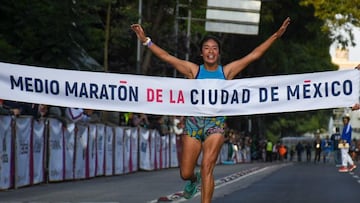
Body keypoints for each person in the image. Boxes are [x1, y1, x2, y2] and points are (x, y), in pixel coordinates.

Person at [131, 17, 291, 202]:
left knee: (208, 166)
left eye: (214, 48)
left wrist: (276, 36)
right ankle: (193, 180)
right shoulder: (193, 70)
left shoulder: (227, 72)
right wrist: (146, 41)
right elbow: (167, 57)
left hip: (215, 124)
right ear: (201, 53)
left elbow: (253, 55)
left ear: (219, 53)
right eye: (207, 48)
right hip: (193, 123)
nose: (210, 51)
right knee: (185, 172)